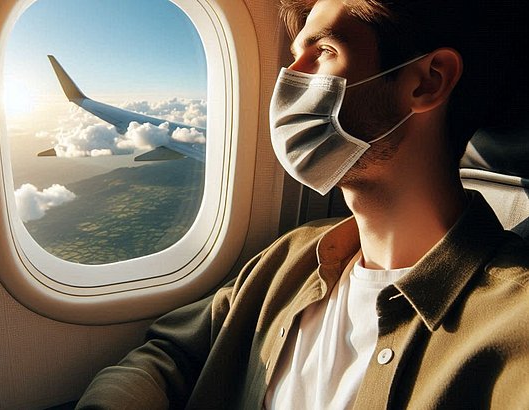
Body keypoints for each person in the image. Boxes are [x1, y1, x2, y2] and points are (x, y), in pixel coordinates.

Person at [76, 0, 529, 408]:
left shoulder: (516, 325)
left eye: (325, 51)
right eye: (296, 55)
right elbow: (171, 355)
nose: (289, 79)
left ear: (427, 82)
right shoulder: (289, 259)